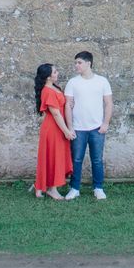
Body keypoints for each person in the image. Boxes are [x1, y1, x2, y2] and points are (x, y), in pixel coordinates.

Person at [64, 51, 113, 200]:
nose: (76, 66)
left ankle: (98, 188)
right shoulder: (73, 82)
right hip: (78, 128)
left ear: (88, 63)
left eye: (79, 62)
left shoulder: (102, 81)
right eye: (75, 63)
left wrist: (105, 123)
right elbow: (68, 105)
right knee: (76, 159)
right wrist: (70, 127)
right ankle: (74, 188)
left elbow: (108, 103)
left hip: (97, 128)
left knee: (97, 159)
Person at [34, 63, 75, 200]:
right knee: (53, 157)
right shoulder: (48, 91)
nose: (57, 74)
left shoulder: (54, 88)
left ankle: (41, 186)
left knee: (54, 156)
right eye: (55, 72)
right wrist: (66, 131)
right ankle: (52, 189)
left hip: (58, 126)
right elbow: (56, 114)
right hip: (53, 128)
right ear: (48, 77)